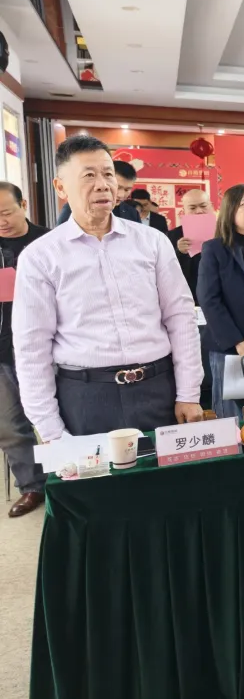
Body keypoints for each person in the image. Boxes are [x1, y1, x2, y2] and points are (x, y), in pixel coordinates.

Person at [14, 135, 203, 439]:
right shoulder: (40, 256)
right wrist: (49, 427)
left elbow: (180, 318)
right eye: (89, 175)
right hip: (86, 397)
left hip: (159, 389)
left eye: (108, 174)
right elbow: (32, 346)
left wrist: (189, 393)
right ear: (60, 187)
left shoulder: (152, 242)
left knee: (170, 472)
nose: (102, 185)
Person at [197, 185, 244, 419]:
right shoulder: (216, 249)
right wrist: (238, 343)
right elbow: (209, 299)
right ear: (230, 210)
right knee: (232, 414)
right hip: (230, 345)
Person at [0, 183, 48, 517]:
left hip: (47, 349)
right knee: (10, 424)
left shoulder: (49, 242)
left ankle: (72, 477)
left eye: (6, 212)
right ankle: (32, 486)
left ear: (24, 205)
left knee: (64, 417)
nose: (1, 221)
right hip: (3, 349)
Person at [57, 158, 140, 224]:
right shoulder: (75, 208)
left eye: (127, 189)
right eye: (118, 187)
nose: (121, 195)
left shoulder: (132, 213)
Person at [167, 188, 213, 304]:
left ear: (211, 205)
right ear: (184, 211)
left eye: (203, 206)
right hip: (188, 295)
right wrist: (179, 252)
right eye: (192, 208)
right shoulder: (173, 235)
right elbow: (168, 271)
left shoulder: (224, 232)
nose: (199, 211)